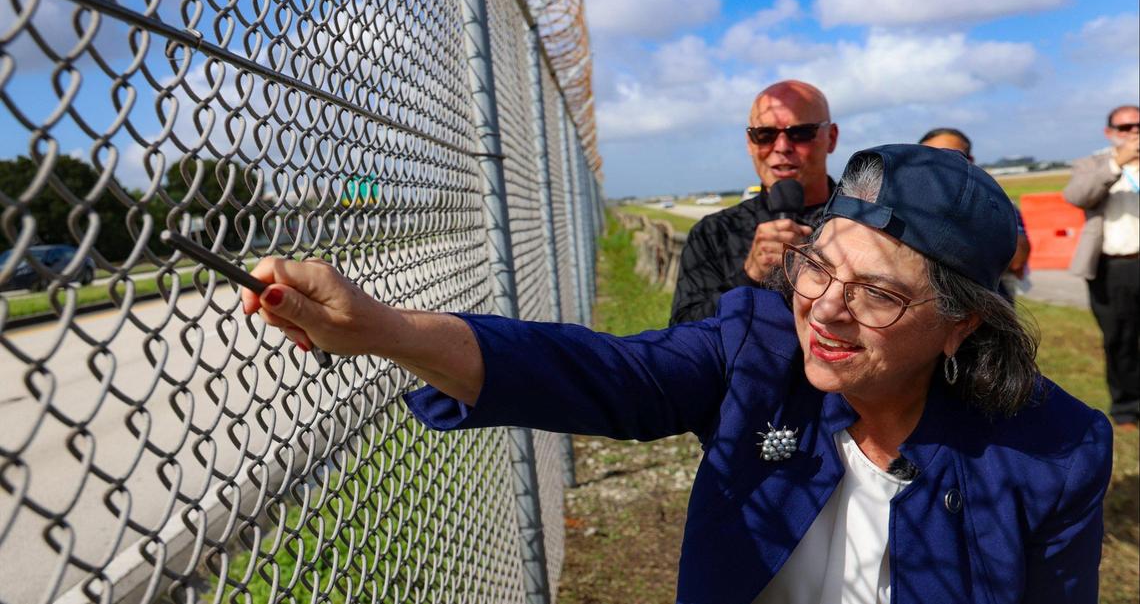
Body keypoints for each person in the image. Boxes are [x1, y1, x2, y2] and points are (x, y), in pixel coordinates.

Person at [241, 145, 1111, 603]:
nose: (826, 308)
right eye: (817, 266)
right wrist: (387, 328)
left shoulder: (1056, 447)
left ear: (962, 321)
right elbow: (605, 372)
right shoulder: (757, 340)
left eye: (879, 292)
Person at [669, 80, 838, 325]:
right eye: (765, 135)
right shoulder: (713, 233)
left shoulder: (863, 221)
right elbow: (683, 334)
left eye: (800, 133)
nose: (782, 147)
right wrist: (748, 277)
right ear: (750, 143)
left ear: (831, 138)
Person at [1063, 104, 1140, 430]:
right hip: (1114, 267)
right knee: (1119, 339)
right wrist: (1118, 163)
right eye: (1125, 127)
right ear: (1110, 132)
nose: (1134, 132)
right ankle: (1126, 408)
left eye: (1139, 125)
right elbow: (1077, 195)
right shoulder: (1093, 164)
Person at [919, 127, 1032, 302]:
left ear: (970, 161)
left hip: (984, 304)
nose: (940, 166)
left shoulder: (995, 201)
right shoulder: (900, 202)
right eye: (930, 158)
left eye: (951, 157)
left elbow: (1017, 259)